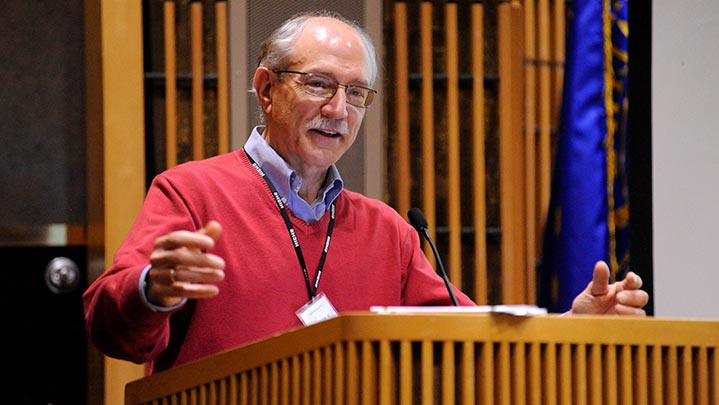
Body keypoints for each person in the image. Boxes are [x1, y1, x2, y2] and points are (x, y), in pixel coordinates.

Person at [82, 10, 649, 374]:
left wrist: (570, 324)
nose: (338, 110)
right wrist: (152, 289)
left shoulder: (388, 230)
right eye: (320, 84)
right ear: (265, 87)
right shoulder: (192, 193)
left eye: (356, 94)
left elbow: (472, 341)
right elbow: (110, 329)